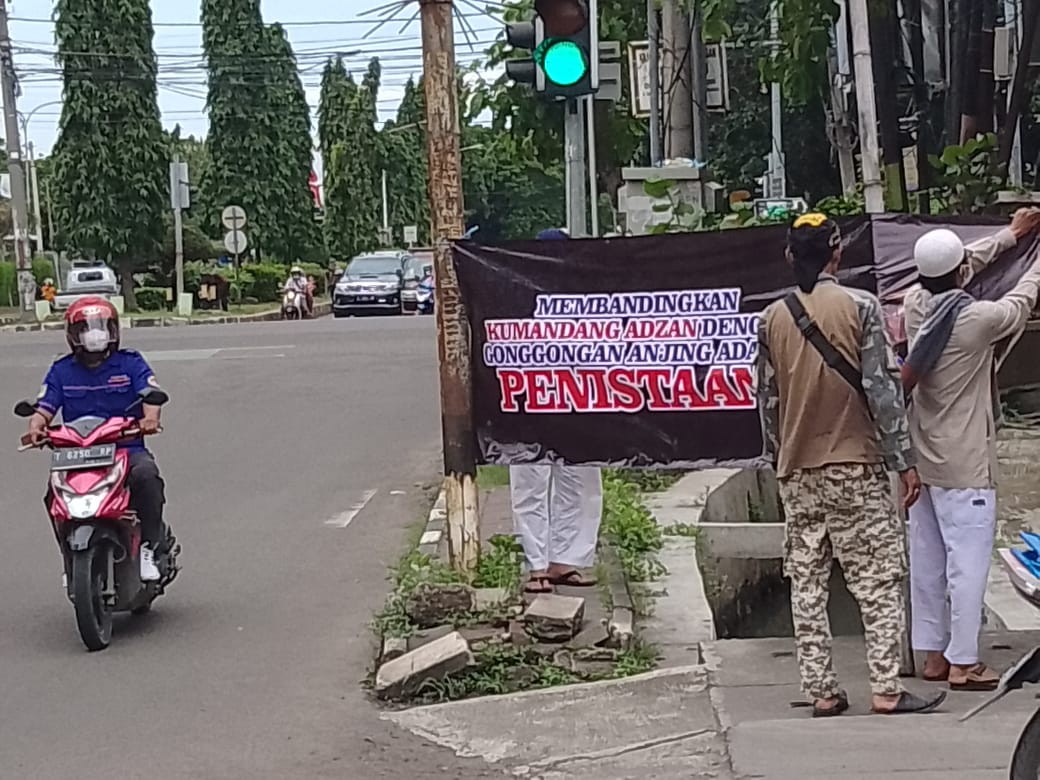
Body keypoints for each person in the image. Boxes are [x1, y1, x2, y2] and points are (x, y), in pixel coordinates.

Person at [756, 213, 944, 716]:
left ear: (790, 255)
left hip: (797, 472)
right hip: (853, 466)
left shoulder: (772, 318)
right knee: (877, 579)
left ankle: (821, 690)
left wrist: (780, 460)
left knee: (807, 581)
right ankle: (885, 687)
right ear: (837, 252)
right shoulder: (860, 307)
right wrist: (904, 461)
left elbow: (767, 403)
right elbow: (883, 392)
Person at [903, 209, 1040, 691]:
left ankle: (934, 656)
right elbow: (1022, 300)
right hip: (965, 465)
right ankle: (964, 662)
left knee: (928, 562)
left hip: (922, 461)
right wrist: (1037, 256)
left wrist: (1010, 237)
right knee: (968, 564)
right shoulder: (977, 320)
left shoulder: (914, 304)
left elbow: (961, 266)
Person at [26, 297, 167, 581]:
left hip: (125, 449)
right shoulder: (61, 370)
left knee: (147, 477)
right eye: (86, 328)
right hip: (77, 455)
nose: (95, 333)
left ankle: (150, 547)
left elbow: (150, 394)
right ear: (73, 334)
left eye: (102, 326)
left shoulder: (130, 363)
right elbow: (44, 407)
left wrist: (150, 419)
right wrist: (36, 427)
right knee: (52, 495)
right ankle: (69, 560)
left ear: (114, 330)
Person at [510, 227, 603, 593]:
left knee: (581, 482)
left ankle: (567, 562)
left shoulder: (584, 296)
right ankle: (536, 567)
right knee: (530, 481)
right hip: (529, 400)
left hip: (578, 400)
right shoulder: (516, 291)